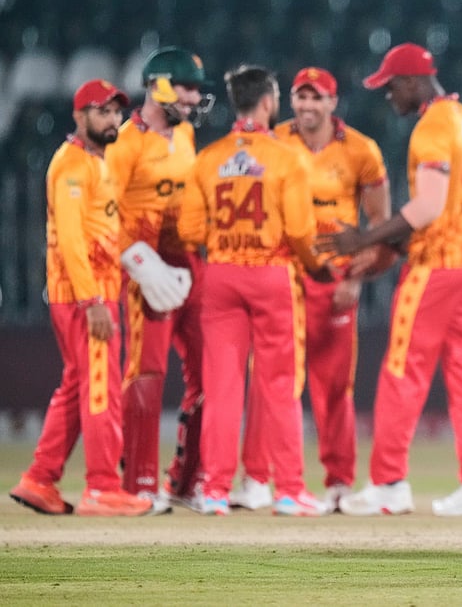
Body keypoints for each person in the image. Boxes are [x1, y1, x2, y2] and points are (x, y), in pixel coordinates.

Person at [317, 43, 462, 518]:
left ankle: (388, 483)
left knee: (403, 366)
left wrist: (364, 239)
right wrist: (390, 245)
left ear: (413, 83)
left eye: (390, 86)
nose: (387, 96)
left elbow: (428, 208)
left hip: (441, 262)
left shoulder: (433, 127)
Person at [228, 67, 391, 513]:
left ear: (332, 103)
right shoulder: (274, 141)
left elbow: (378, 225)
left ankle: (338, 482)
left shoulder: (361, 151)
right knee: (268, 377)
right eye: (300, 98)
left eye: (316, 98)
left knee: (334, 383)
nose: (306, 106)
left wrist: (356, 278)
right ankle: (257, 478)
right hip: (284, 273)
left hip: (334, 281)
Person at [177, 64, 332, 517]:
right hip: (271, 273)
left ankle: (215, 490)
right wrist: (315, 267)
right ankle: (288, 490)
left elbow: (188, 229)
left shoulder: (208, 159)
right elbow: (302, 230)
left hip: (221, 274)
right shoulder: (286, 158)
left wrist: (224, 240)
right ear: (268, 102)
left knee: (222, 386)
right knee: (279, 385)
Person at [8, 79, 152, 517]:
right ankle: (103, 486)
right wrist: (92, 302)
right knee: (100, 391)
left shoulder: (97, 162)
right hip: (84, 297)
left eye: (116, 112)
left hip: (93, 293)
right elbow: (71, 240)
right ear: (79, 115)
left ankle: (39, 479)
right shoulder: (71, 165)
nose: (112, 120)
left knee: (76, 388)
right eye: (102, 112)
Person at [106, 46, 214, 514]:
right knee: (147, 372)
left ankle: (185, 483)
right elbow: (102, 211)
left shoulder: (186, 134)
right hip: (143, 265)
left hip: (189, 259)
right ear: (158, 84)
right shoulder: (125, 141)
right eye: (186, 86)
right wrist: (138, 260)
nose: (192, 98)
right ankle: (138, 484)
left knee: (214, 372)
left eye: (196, 90)